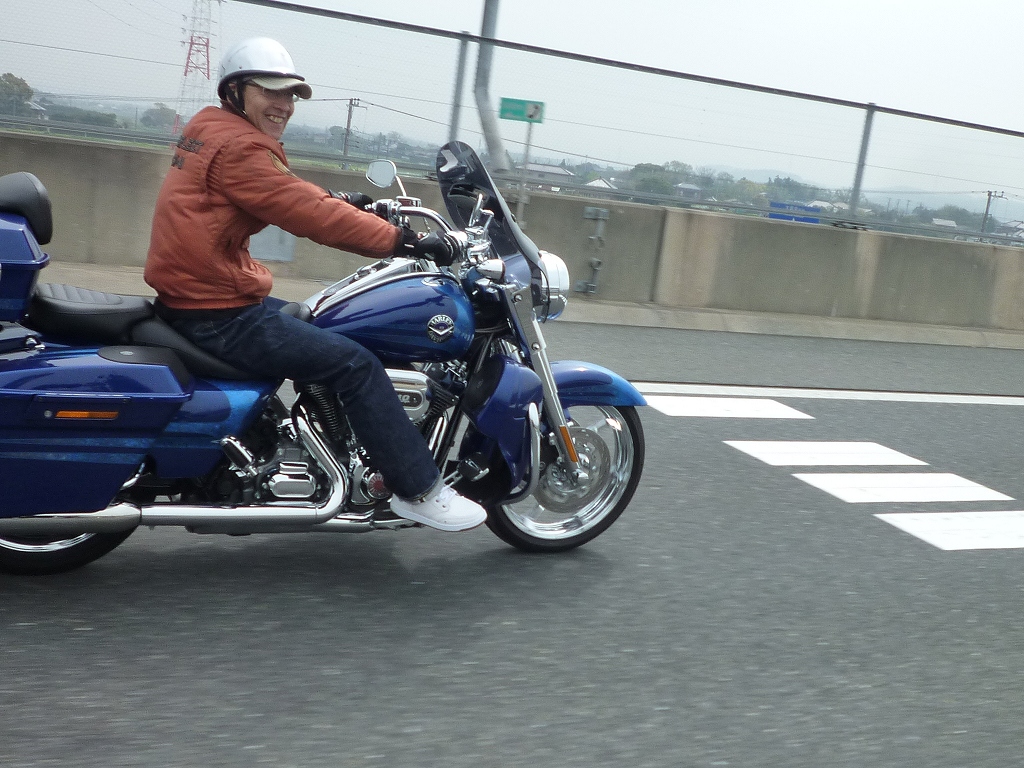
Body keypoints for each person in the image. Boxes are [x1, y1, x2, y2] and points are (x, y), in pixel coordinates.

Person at [144, 37, 487, 532]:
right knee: (357, 364)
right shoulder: (241, 146)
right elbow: (308, 214)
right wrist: (407, 241)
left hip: (197, 292)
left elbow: (280, 190)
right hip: (217, 309)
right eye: (270, 91)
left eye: (290, 95)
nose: (283, 105)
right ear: (236, 90)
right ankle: (418, 489)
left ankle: (330, 449)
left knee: (323, 323)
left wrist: (342, 198)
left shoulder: (209, 127)